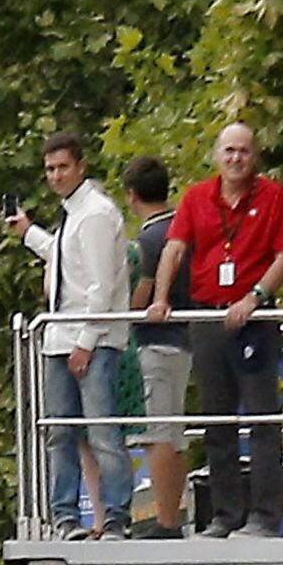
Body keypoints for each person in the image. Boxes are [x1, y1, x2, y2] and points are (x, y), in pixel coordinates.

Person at [151, 121, 283, 539]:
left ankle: (264, 517)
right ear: (217, 155)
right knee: (216, 420)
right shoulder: (197, 197)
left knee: (261, 419)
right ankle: (225, 515)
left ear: (254, 157)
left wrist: (254, 298)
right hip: (207, 317)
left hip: (255, 320)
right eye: (229, 151)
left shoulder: (273, 196)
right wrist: (161, 298)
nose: (236, 158)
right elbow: (175, 248)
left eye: (244, 151)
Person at [12, 129, 137, 537]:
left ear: (81, 167)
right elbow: (67, 261)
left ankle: (116, 516)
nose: (56, 176)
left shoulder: (97, 213)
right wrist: (29, 233)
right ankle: (65, 516)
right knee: (59, 432)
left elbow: (101, 285)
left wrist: (84, 342)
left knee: (102, 430)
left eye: (63, 167)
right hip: (59, 336)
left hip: (91, 340)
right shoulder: (74, 214)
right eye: (50, 169)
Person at [122, 156, 197, 538]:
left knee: (158, 433)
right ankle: (174, 514)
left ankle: (168, 522)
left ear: (132, 195)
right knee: (174, 433)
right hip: (184, 340)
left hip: (155, 343)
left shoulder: (151, 238)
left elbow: (143, 293)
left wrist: (122, 316)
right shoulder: (183, 227)